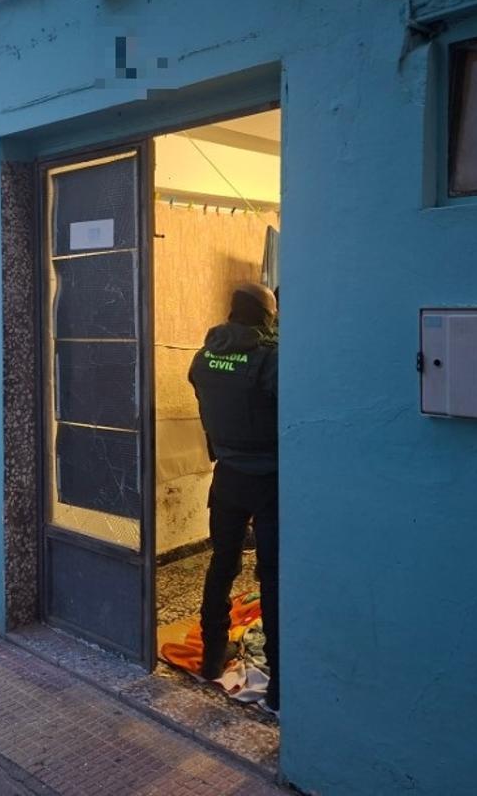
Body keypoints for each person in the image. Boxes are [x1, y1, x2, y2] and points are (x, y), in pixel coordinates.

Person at [188, 283, 280, 715]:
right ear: (266, 315)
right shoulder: (270, 358)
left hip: (226, 475)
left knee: (221, 563)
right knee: (273, 576)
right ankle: (280, 682)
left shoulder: (204, 355)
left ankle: (210, 655)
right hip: (270, 479)